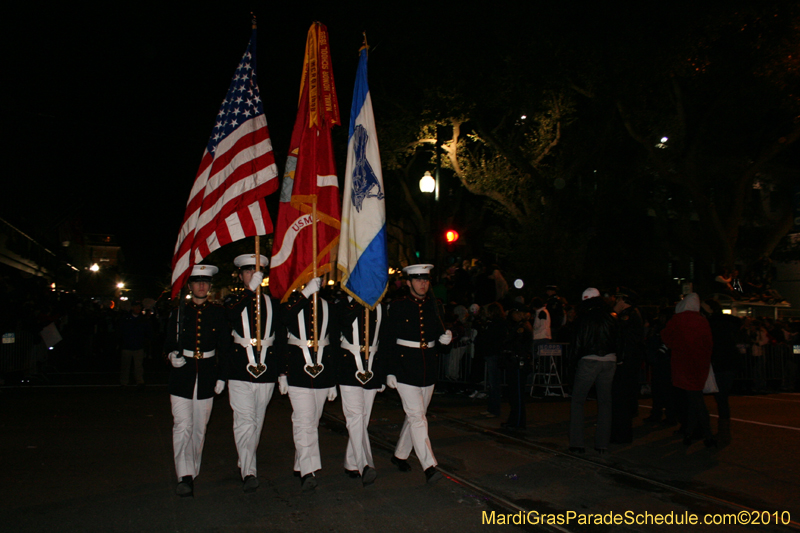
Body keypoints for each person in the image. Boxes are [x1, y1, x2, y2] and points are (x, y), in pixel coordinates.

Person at [164, 264, 230, 497]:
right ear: (190, 286)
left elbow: (225, 347)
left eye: (206, 282)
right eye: (197, 282)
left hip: (207, 374)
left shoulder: (219, 312)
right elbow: (169, 341)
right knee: (182, 425)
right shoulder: (180, 311)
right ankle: (185, 475)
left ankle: (192, 469)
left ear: (210, 286)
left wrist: (222, 376)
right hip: (182, 375)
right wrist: (172, 354)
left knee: (199, 428)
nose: (202, 286)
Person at [382, 264, 452, 483]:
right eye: (419, 280)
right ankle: (429, 465)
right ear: (409, 282)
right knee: (417, 417)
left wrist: (446, 340)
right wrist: (390, 370)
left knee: (416, 415)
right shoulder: (398, 306)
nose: (423, 284)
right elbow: (387, 340)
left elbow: (439, 333)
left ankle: (400, 455)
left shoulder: (434, 305)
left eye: (426, 280)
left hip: (427, 367)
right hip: (404, 367)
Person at [223, 254, 283, 493]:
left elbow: (279, 339)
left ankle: (245, 459)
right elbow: (229, 316)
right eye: (247, 272)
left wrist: (282, 373)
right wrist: (249, 292)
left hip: (266, 370)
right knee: (244, 420)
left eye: (256, 272)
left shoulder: (273, 303)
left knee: (256, 421)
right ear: (241, 275)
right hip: (239, 369)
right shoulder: (233, 300)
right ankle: (249, 471)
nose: (252, 275)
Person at [277, 277, 338, 492]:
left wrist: (332, 380)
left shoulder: (329, 307)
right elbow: (282, 327)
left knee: (312, 421)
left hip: (322, 373)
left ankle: (300, 464)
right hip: (297, 369)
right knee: (303, 421)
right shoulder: (290, 305)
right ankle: (308, 470)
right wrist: (282, 372)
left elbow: (332, 343)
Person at [336, 296, 387, 486]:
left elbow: (384, 341)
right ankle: (365, 464)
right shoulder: (342, 305)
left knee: (362, 418)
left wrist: (382, 373)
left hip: (372, 367)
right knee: (355, 416)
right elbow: (342, 322)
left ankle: (351, 462)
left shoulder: (379, 307)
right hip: (348, 365)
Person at [661, 293, 715, 447]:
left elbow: (666, 337)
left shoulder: (678, 319)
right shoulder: (702, 321)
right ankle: (692, 433)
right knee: (695, 399)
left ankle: (704, 434)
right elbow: (709, 343)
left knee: (694, 401)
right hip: (700, 365)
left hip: (683, 365)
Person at [569, 288, 619, 454]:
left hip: (589, 359)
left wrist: (573, 363)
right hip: (610, 360)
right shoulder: (611, 316)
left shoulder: (583, 318)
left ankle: (577, 443)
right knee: (605, 402)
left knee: (578, 400)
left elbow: (577, 342)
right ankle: (602, 444)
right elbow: (620, 339)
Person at [703, 298, 741, 446]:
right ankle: (724, 432)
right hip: (729, 363)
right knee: (722, 398)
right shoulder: (729, 323)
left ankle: (723, 434)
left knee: (720, 398)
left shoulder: (713, 324)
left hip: (720, 363)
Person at [610, 290, 645, 444]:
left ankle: (621, 435)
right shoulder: (633, 314)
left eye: (618, 299)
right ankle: (621, 433)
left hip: (626, 361)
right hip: (629, 360)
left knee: (621, 398)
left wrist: (615, 314)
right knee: (624, 398)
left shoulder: (627, 315)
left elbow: (620, 334)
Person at [502, 302, 532, 429]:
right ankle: (513, 420)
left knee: (517, 395)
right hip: (515, 362)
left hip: (519, 363)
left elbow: (517, 345)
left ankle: (518, 422)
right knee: (513, 394)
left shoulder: (523, 327)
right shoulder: (519, 326)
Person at [118, 300, 153, 387]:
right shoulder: (125, 319)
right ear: (132, 307)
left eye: (139, 306)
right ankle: (124, 381)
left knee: (138, 365)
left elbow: (148, 332)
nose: (138, 308)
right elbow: (120, 331)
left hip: (139, 345)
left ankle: (139, 380)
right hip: (127, 345)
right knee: (125, 365)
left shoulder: (143, 319)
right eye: (136, 306)